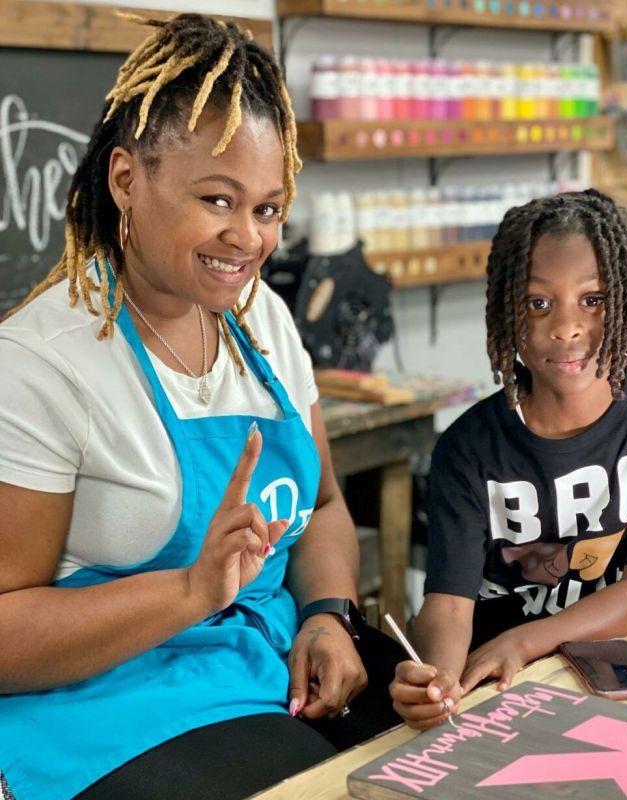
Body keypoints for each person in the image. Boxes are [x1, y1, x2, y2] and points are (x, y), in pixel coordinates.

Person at [0, 14, 401, 800]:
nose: (247, 239)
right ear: (125, 180)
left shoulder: (266, 323)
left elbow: (320, 507)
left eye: (268, 208)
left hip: (262, 672)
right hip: (116, 713)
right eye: (218, 199)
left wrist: (325, 615)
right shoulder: (42, 363)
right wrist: (189, 592)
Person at [389, 189, 627, 730]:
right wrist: (439, 682)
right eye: (538, 302)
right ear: (509, 315)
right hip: (491, 683)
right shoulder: (467, 447)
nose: (566, 328)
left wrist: (523, 642)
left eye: (592, 300)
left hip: (599, 673)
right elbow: (449, 605)